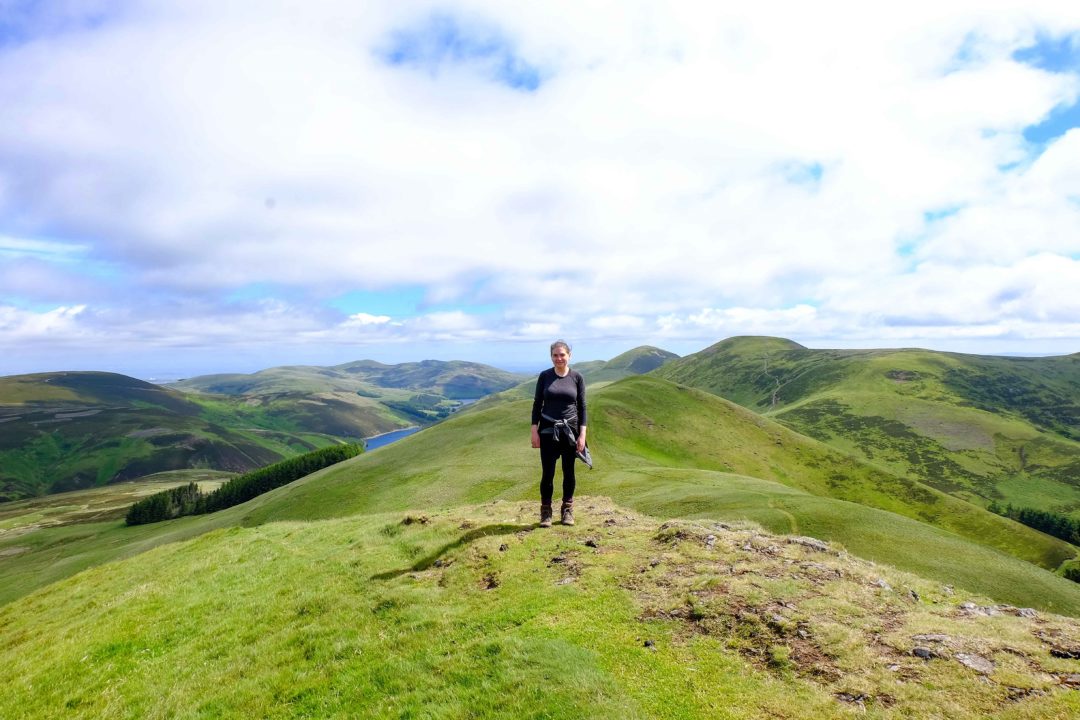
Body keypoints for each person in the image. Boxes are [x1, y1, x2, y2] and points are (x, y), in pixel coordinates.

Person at [531, 340, 587, 527]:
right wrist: (534, 431)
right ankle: (546, 512)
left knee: (568, 471)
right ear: (551, 357)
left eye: (562, 354)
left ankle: (567, 510)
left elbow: (583, 407)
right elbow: (537, 404)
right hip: (547, 430)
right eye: (555, 355)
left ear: (569, 355)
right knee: (548, 473)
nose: (559, 358)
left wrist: (582, 435)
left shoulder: (577, 377)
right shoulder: (545, 376)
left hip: (570, 431)